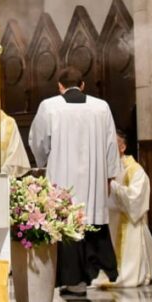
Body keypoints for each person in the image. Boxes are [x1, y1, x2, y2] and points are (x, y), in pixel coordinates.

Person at [29, 70, 120, 287]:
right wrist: (109, 175)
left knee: (64, 219)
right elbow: (111, 144)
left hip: (62, 174)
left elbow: (38, 141)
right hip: (93, 176)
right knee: (92, 218)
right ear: (83, 85)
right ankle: (97, 271)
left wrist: (43, 161)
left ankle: (67, 275)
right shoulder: (101, 107)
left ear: (60, 86)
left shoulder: (49, 106)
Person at [92, 130, 152, 289]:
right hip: (108, 221)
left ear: (122, 147)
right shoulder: (103, 168)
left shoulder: (135, 170)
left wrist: (112, 186)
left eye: (112, 145)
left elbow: (136, 199)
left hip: (128, 222)